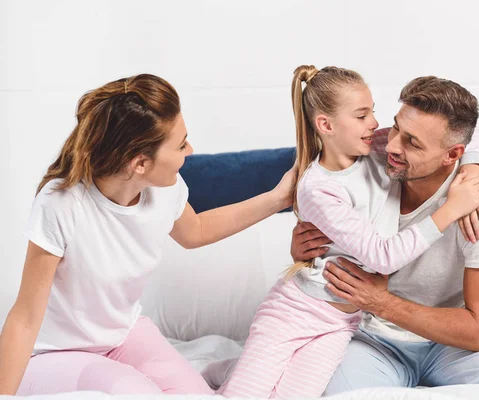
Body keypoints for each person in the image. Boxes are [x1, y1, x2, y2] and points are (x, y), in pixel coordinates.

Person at [0, 74, 297, 396]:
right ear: (140, 163)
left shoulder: (165, 189)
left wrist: (278, 199)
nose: (191, 149)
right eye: (181, 144)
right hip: (56, 352)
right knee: (139, 392)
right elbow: (25, 318)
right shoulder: (62, 204)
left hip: (124, 334)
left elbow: (195, 231)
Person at [218, 66, 479, 399]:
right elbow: (382, 257)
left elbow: (467, 131)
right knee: (243, 395)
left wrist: (470, 173)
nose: (376, 124)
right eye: (362, 115)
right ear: (326, 125)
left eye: (373, 111)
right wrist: (450, 211)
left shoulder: (380, 148)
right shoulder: (318, 188)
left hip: (341, 323)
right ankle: (229, 375)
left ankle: (228, 370)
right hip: (296, 313)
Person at [290, 76, 479, 393]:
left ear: (452, 155)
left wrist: (382, 302)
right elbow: (315, 201)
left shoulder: (475, 200)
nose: (391, 145)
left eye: (413, 143)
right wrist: (305, 246)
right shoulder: (368, 158)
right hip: (370, 337)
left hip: (452, 342)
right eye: (396, 127)